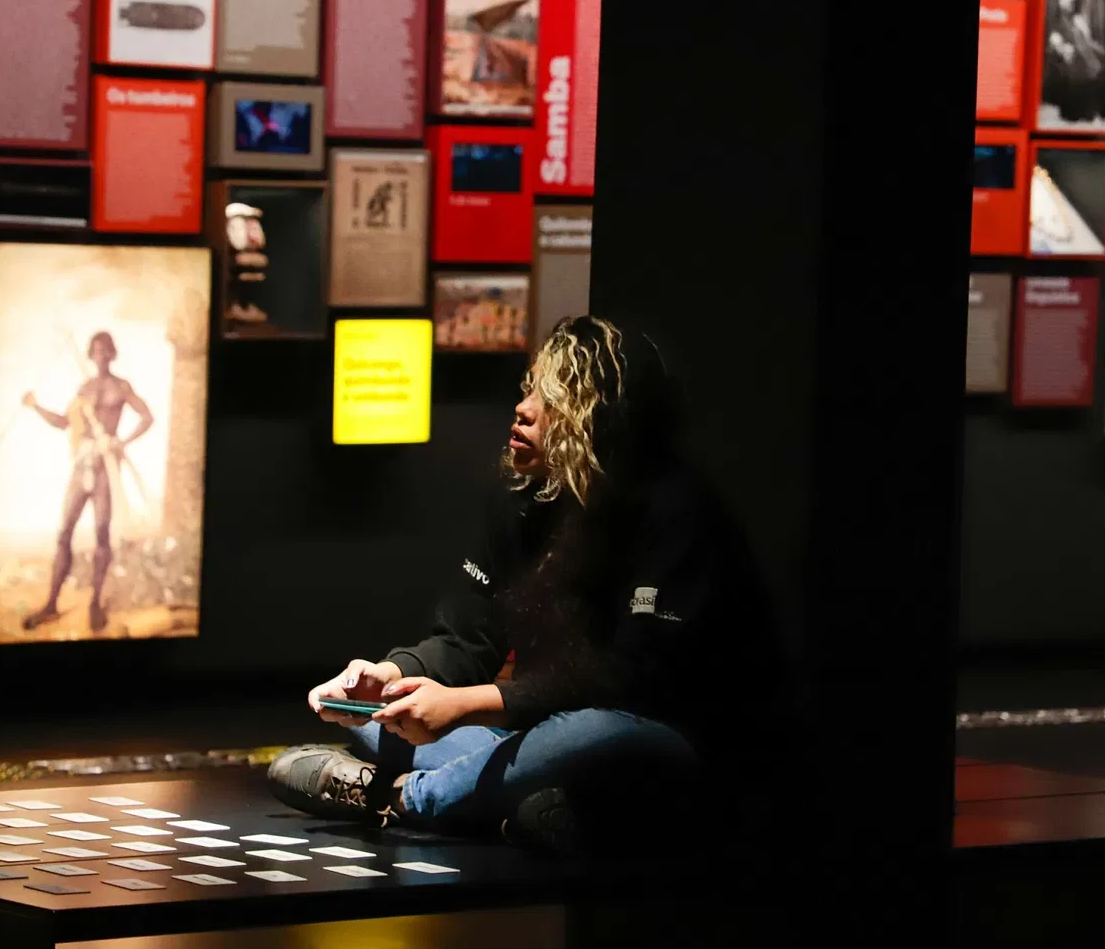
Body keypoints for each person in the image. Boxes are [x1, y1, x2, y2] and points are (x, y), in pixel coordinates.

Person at [269, 316, 791, 852]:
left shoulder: (675, 512)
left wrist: (471, 704)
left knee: (594, 733)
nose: (523, 409)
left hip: (657, 740)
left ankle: (398, 796)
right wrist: (392, 676)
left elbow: (629, 682)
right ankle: (533, 808)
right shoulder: (525, 500)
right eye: (530, 390)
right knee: (374, 720)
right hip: (534, 730)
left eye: (554, 401)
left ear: (605, 420)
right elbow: (467, 638)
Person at [20, 331, 154, 633]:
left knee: (102, 533)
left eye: (105, 350)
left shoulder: (121, 387)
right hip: (83, 465)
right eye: (95, 351)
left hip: (106, 467)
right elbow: (64, 422)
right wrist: (35, 406)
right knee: (64, 531)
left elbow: (147, 417)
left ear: (112, 354)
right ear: (91, 354)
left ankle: (95, 603)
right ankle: (51, 604)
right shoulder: (84, 389)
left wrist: (121, 442)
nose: (100, 356)